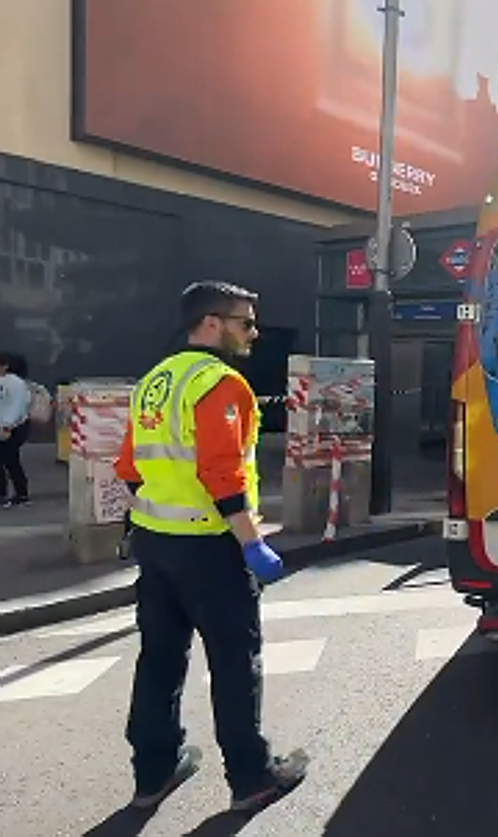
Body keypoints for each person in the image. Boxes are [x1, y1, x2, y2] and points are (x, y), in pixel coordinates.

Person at [114, 281, 308, 813]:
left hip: (155, 543)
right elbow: (222, 474)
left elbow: (130, 467)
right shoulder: (221, 384)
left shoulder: (155, 381)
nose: (254, 332)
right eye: (245, 322)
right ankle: (252, 778)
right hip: (209, 548)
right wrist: (251, 544)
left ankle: (153, 772)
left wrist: (159, 514)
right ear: (211, 323)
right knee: (234, 663)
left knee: (159, 659)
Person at [0, 352, 32, 508]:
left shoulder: (14, 383)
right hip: (8, 426)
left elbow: (17, 407)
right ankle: (17, 493)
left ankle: (20, 494)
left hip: (11, 428)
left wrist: (7, 426)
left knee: (10, 461)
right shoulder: (9, 382)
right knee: (9, 461)